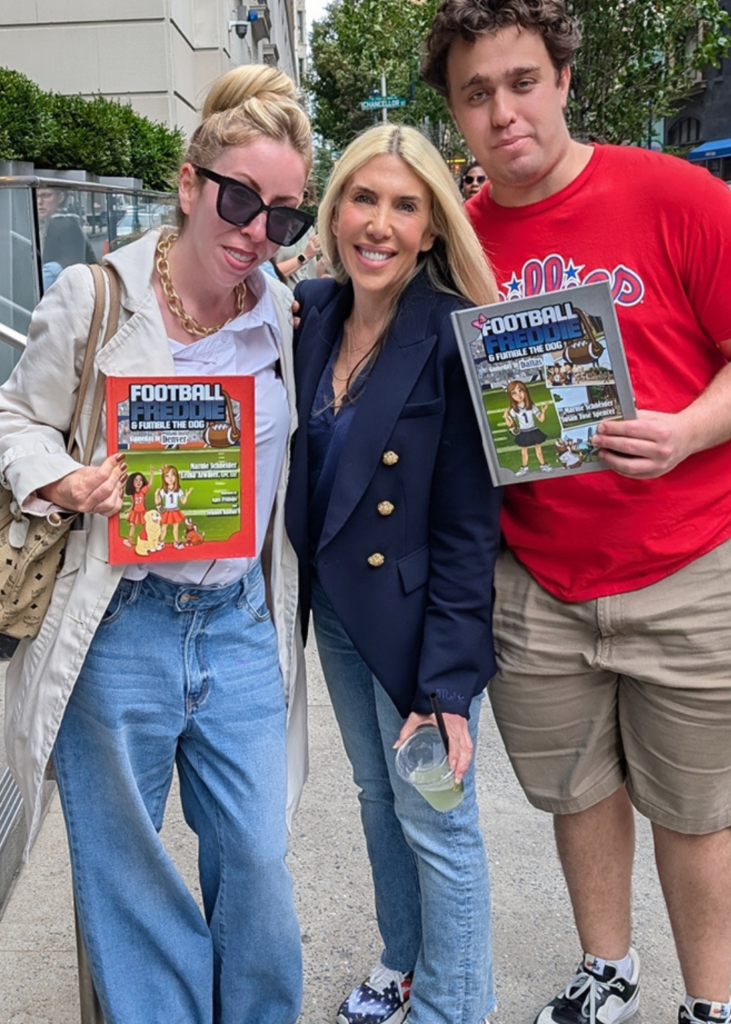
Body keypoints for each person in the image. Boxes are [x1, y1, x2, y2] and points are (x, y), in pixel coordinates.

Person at [422, 3, 731, 1024]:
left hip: (684, 566)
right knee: (575, 794)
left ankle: (707, 1000)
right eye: (476, 94)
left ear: (561, 80)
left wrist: (686, 430)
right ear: (456, 115)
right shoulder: (455, 241)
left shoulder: (674, 195)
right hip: (536, 582)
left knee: (694, 812)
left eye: (519, 82)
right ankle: (607, 968)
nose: (502, 111)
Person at [0, 64, 313, 1024]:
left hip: (235, 620)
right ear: (190, 184)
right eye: (240, 197)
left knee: (258, 858)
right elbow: (16, 417)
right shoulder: (96, 297)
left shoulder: (280, 314)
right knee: (128, 872)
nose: (257, 229)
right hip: (120, 623)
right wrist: (60, 478)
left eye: (284, 215)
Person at [285, 123, 503, 1024]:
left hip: (419, 625)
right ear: (335, 211)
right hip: (337, 610)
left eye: (404, 206)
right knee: (378, 795)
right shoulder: (309, 312)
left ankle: (455, 1006)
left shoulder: (449, 336)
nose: (379, 223)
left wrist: (447, 686)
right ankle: (400, 958)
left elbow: (466, 526)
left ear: (430, 228)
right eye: (363, 199)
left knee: (439, 821)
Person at [36, 187, 97, 289]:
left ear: (61, 197)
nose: (39, 202)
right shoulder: (73, 221)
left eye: (46, 196)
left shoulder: (62, 224)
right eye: (37, 196)